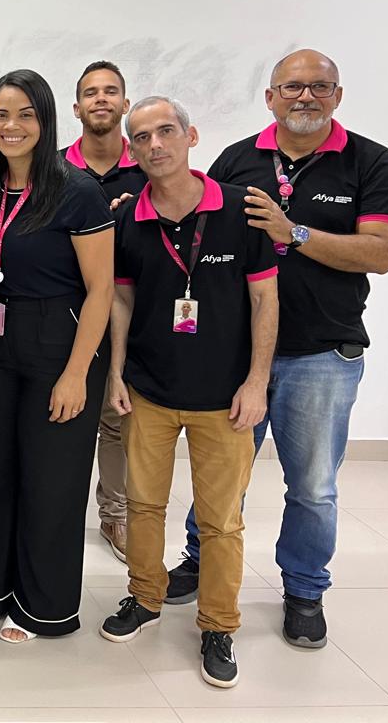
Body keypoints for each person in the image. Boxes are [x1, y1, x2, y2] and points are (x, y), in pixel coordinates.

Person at [168, 49, 388, 649]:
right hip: (238, 352)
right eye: (293, 86)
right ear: (270, 96)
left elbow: (381, 253)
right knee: (223, 473)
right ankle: (200, 558)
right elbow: (194, 227)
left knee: (313, 486)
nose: (306, 97)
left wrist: (292, 233)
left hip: (321, 352)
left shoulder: (371, 162)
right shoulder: (237, 160)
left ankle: (304, 590)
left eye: (320, 87)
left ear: (338, 96)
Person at [102, 95, 278, 690]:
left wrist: (257, 381)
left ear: (191, 135)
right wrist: (117, 372)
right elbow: (122, 298)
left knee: (220, 521)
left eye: (166, 131)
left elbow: (265, 299)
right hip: (149, 390)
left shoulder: (241, 208)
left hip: (226, 399)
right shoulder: (129, 219)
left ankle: (218, 626)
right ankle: (144, 597)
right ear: (131, 149)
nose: (155, 144)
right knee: (144, 505)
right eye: (142, 136)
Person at [0, 70, 113, 643]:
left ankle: (43, 607)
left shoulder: (76, 190)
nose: (11, 126)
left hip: (60, 342)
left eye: (25, 115)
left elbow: (100, 289)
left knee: (50, 481)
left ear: (46, 120)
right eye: (1, 114)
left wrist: (77, 373)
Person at [62, 60, 150, 563]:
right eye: (91, 93)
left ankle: (115, 513)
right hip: (66, 312)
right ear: (76, 108)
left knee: (117, 418)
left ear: (125, 104)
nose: (101, 99)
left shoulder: (149, 167)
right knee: (63, 413)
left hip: (129, 310)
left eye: (110, 91)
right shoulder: (55, 168)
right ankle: (56, 509)